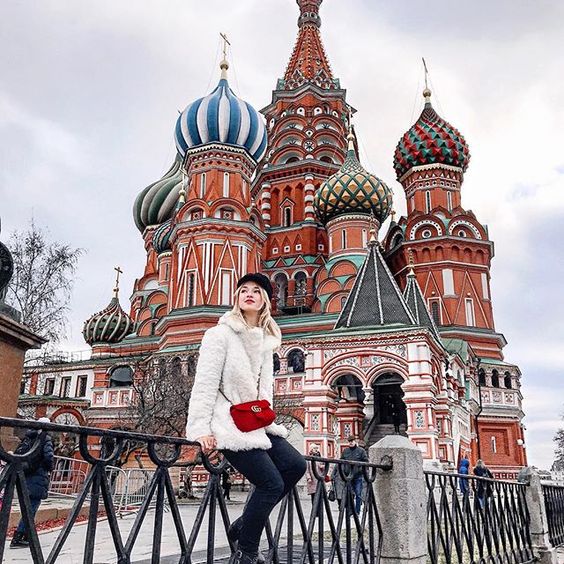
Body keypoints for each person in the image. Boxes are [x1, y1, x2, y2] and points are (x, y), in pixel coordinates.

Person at [185, 273, 307, 564]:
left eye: (256, 290)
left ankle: (241, 526)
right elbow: (205, 382)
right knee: (271, 484)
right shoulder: (219, 335)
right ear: (237, 299)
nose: (249, 294)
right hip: (228, 423)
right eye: (243, 290)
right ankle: (246, 552)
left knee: (295, 465)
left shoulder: (265, 341)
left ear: (265, 299)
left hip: (255, 422)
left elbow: (264, 390)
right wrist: (200, 428)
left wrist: (269, 421)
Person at [10, 417, 54, 549]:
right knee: (31, 508)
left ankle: (26, 536)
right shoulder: (45, 438)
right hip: (38, 476)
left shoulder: (28, 437)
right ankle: (19, 537)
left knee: (27, 506)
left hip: (25, 475)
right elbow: (48, 457)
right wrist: (49, 467)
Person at [340, 436, 368, 515]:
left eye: (352, 441)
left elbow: (366, 461)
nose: (351, 442)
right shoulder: (345, 451)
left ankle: (357, 511)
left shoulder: (361, 451)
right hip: (348, 475)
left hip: (358, 475)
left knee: (358, 494)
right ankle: (350, 511)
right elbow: (341, 461)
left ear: (355, 441)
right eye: (349, 441)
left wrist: (361, 470)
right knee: (349, 494)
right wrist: (343, 471)